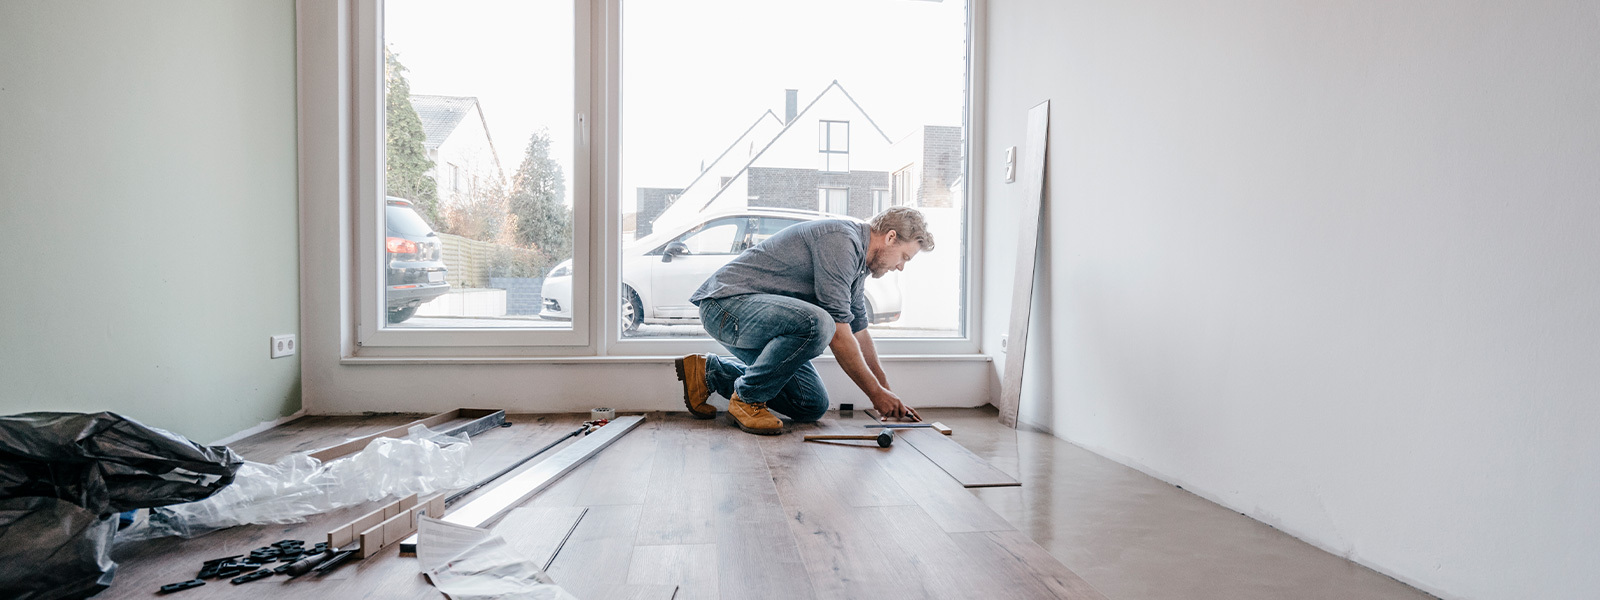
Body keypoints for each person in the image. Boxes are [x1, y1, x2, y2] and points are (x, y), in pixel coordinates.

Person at [673, 206, 934, 435]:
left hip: (750, 319)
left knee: (811, 404)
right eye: (904, 257)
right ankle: (747, 400)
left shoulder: (858, 265)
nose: (901, 267)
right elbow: (838, 335)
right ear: (890, 237)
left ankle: (709, 373)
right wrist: (875, 395)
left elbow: (858, 332)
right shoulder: (841, 241)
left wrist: (887, 394)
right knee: (819, 323)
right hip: (725, 308)